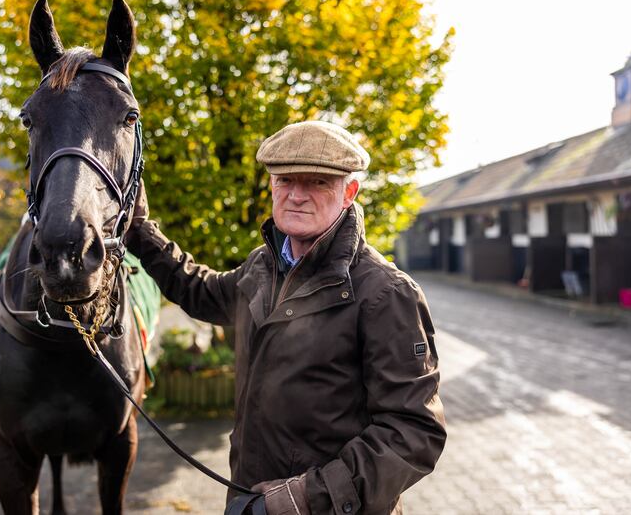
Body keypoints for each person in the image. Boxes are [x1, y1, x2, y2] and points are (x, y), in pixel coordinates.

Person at [126, 121, 446, 514]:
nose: (296, 195)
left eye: (316, 182)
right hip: (247, 497)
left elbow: (413, 432)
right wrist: (140, 230)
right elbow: (201, 291)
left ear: (349, 192)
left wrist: (303, 499)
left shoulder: (386, 294)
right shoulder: (264, 266)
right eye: (285, 180)